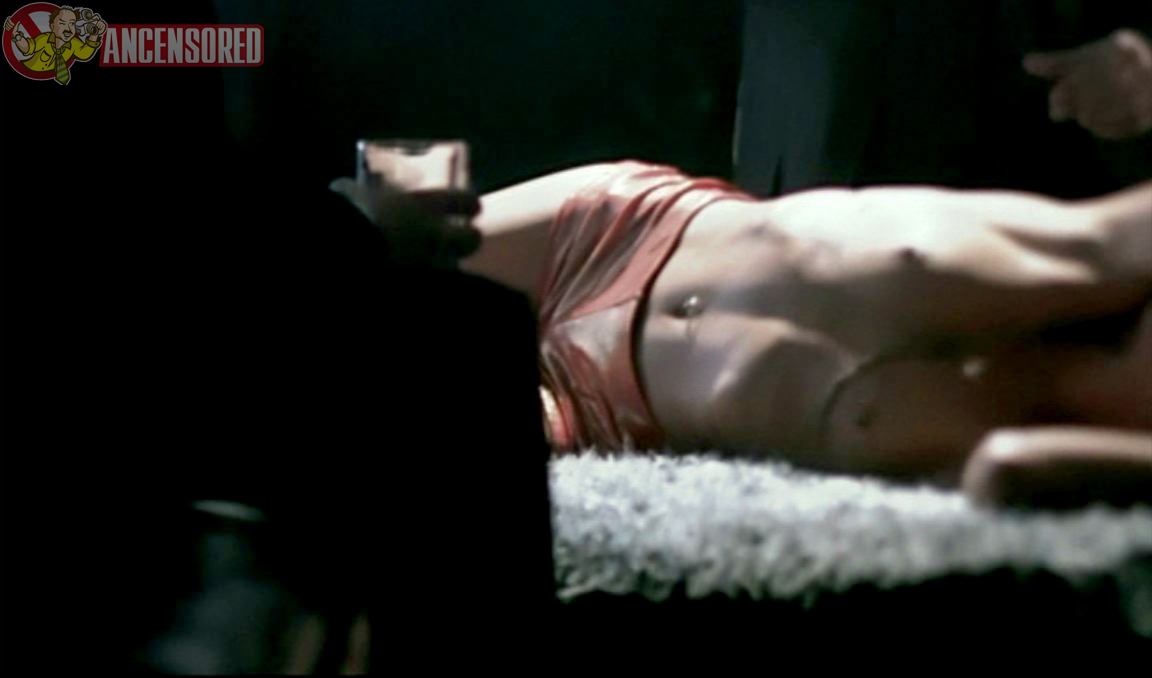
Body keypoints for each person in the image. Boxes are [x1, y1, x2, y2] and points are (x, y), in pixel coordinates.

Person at [331, 160, 1152, 510]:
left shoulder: (1092, 422)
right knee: (357, 249)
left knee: (358, 418)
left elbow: (1012, 468)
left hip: (605, 411)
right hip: (615, 240)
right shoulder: (1103, 250)